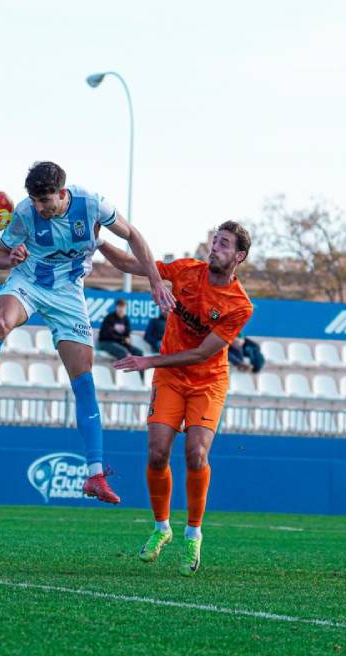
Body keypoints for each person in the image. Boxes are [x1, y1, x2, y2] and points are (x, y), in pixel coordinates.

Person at [0, 161, 174, 505]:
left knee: (84, 379)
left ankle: (95, 475)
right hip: (29, 281)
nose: (38, 207)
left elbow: (132, 236)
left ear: (61, 193)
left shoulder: (91, 204)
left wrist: (155, 280)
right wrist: (11, 258)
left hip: (69, 293)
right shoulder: (24, 212)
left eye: (44, 201)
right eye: (34, 200)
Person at [103, 221, 254, 576]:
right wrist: (96, 242)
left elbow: (202, 353)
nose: (215, 247)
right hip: (170, 377)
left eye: (224, 244)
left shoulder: (240, 305)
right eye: (215, 240)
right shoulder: (186, 270)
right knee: (157, 453)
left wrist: (149, 361)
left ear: (239, 256)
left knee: (196, 454)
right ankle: (162, 528)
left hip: (207, 381)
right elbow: (133, 264)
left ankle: (193, 534)